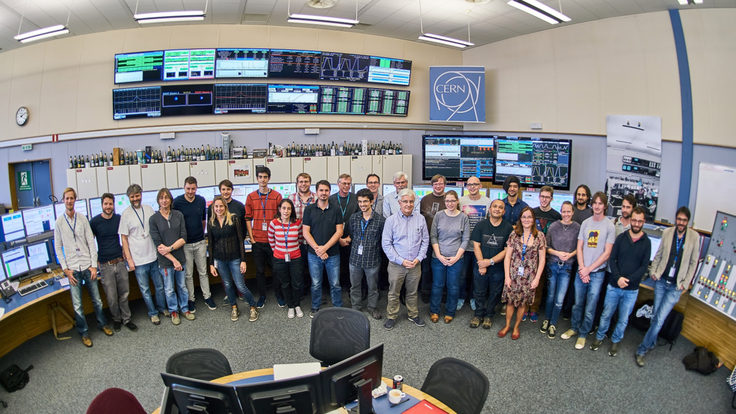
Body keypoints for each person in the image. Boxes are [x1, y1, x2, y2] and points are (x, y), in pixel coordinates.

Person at [635, 206, 700, 367]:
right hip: (662, 282)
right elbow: (659, 255)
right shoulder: (667, 233)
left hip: (675, 287)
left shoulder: (694, 237)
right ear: (675, 219)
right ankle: (651, 342)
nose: (681, 223)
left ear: (688, 221)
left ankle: (642, 350)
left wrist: (685, 284)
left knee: (658, 320)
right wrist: (654, 272)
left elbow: (693, 263)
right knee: (655, 316)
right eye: (679, 219)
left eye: (684, 220)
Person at [54, 187, 114, 347]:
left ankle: (103, 324)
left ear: (75, 200)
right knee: (78, 305)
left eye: (72, 198)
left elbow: (91, 243)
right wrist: (65, 269)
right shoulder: (59, 222)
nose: (69, 201)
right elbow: (58, 248)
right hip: (73, 269)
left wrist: (94, 266)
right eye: (66, 198)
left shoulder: (83, 219)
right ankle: (84, 333)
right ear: (63, 200)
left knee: (97, 301)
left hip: (88, 266)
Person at [590, 207, 650, 357]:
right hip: (614, 286)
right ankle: (599, 337)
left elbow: (644, 267)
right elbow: (612, 259)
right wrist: (618, 278)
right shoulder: (621, 238)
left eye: (639, 221)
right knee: (606, 314)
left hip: (631, 290)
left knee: (623, 319)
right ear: (630, 220)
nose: (636, 223)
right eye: (634, 220)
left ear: (644, 222)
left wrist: (628, 281)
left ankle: (615, 341)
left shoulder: (646, 242)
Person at [561, 191, 615, 350]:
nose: (597, 206)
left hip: (597, 273)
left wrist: (589, 270)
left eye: (600, 203)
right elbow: (579, 247)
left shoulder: (610, 226)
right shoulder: (585, 223)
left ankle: (583, 334)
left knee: (590, 306)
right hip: (581, 270)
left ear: (604, 206)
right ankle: (574, 328)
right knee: (577, 304)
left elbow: (607, 253)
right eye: (595, 203)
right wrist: (582, 268)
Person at [381, 189, 429, 330]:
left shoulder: (420, 219)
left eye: (411, 201)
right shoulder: (391, 221)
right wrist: (401, 260)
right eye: (405, 201)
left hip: (415, 264)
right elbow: (386, 244)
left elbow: (425, 241)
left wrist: (419, 258)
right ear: (399, 203)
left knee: (413, 292)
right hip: (397, 265)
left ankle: (413, 314)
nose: (408, 204)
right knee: (394, 292)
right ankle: (391, 316)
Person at [119, 184, 166, 325]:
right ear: (129, 198)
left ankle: (162, 308)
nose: (135, 199)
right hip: (138, 260)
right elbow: (124, 239)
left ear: (141, 194)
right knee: (145, 290)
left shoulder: (149, 209)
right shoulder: (125, 214)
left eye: (137, 195)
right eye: (132, 197)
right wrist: (129, 260)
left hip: (153, 256)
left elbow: (157, 228)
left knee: (160, 286)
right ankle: (153, 313)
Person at [90, 193, 136, 332]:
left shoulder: (119, 219)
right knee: (111, 297)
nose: (108, 206)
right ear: (102, 205)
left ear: (113, 205)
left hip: (120, 262)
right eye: (106, 204)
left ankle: (127, 319)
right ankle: (116, 319)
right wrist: (94, 260)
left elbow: (124, 238)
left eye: (110, 204)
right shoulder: (95, 222)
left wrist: (126, 253)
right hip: (105, 265)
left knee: (124, 293)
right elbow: (89, 241)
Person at [498, 207, 546, 340]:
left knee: (522, 303)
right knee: (510, 302)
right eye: (524, 217)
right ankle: (507, 325)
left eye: (529, 217)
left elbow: (542, 260)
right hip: (513, 275)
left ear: (533, 219)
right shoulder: (514, 234)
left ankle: (516, 327)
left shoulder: (539, 236)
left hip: (529, 277)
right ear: (520, 219)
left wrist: (537, 279)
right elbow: (507, 257)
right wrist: (507, 276)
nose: (526, 220)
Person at [208, 196, 259, 322]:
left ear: (225, 207)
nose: (219, 209)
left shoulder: (234, 218)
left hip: (235, 258)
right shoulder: (211, 223)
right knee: (227, 285)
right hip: (220, 260)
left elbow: (240, 240)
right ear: (213, 208)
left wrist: (243, 260)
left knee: (240, 286)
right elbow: (211, 244)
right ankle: (234, 307)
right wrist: (211, 264)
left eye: (221, 206)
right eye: (216, 207)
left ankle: (253, 306)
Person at [149, 188, 194, 325]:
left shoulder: (178, 215)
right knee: (169, 289)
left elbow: (183, 237)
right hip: (166, 262)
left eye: (166, 197)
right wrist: (173, 260)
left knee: (182, 286)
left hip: (181, 258)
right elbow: (159, 245)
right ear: (158, 201)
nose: (164, 200)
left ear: (170, 200)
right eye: (161, 198)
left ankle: (185, 309)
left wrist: (170, 248)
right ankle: (174, 311)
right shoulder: (154, 219)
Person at [173, 176, 215, 312]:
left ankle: (207, 296)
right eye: (188, 189)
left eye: (193, 189)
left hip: (200, 242)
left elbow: (203, 220)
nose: (191, 191)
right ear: (184, 187)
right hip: (185, 244)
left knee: (203, 272)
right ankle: (191, 299)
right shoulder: (177, 202)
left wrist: (201, 235)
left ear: (196, 188)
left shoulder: (201, 200)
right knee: (188, 274)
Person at [303, 180, 344, 317]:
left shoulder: (336, 209)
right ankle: (315, 307)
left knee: (335, 283)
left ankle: (338, 308)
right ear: (316, 192)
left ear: (329, 192)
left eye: (326, 190)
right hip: (314, 255)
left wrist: (324, 248)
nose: (324, 193)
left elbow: (339, 232)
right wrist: (318, 250)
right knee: (315, 283)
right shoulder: (309, 209)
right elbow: (305, 232)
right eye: (321, 190)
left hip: (332, 254)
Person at [470, 199, 513, 330]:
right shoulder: (481, 225)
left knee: (495, 293)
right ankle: (478, 314)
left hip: (498, 268)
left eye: (500, 207)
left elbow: (507, 250)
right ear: (490, 209)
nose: (497, 209)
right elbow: (476, 246)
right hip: (480, 265)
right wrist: (482, 265)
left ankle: (489, 316)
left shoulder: (508, 228)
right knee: (479, 292)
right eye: (495, 206)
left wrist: (490, 262)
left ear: (504, 211)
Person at [245, 166, 284, 308]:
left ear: (269, 178)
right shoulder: (250, 197)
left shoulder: (277, 196)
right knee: (260, 271)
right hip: (258, 241)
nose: (263, 180)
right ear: (257, 179)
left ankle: (279, 294)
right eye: (260, 177)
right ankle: (262, 296)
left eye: (265, 177)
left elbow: (281, 217)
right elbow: (247, 218)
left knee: (276, 270)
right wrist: (252, 238)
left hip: (274, 242)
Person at [540, 201, 580, 338]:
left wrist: (570, 255)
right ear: (561, 212)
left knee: (559, 299)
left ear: (573, 212)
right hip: (553, 265)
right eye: (564, 211)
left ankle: (553, 323)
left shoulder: (577, 228)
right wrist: (558, 253)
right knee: (550, 296)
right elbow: (546, 246)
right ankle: (546, 319)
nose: (566, 214)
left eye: (569, 211)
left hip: (567, 267)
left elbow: (579, 248)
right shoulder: (553, 226)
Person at [429, 190, 469, 324]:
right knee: (437, 285)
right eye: (447, 201)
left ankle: (450, 312)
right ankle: (434, 311)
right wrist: (439, 255)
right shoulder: (439, 216)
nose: (450, 203)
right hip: (438, 258)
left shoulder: (463, 217)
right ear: (444, 202)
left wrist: (456, 257)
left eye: (452, 201)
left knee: (453, 286)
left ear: (457, 201)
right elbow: (433, 236)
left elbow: (465, 239)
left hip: (456, 259)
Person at [347, 189, 386, 319]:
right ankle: (356, 307)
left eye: (365, 201)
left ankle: (372, 307)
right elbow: (352, 235)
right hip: (355, 259)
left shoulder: (380, 220)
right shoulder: (354, 218)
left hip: (372, 260)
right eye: (360, 202)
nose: (362, 204)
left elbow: (382, 240)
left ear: (371, 201)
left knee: (373, 287)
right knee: (355, 286)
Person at [527, 185, 562, 322]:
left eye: (547, 197)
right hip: (531, 254)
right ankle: (525, 307)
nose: (544, 199)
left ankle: (534, 309)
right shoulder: (533, 212)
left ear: (552, 199)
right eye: (542, 196)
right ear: (539, 197)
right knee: (528, 281)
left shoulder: (556, 216)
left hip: (547, 255)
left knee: (540, 283)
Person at [458, 176, 491, 310]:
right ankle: (460, 297)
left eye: (475, 184)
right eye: (469, 184)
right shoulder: (461, 201)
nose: (472, 187)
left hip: (479, 247)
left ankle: (473, 298)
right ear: (466, 186)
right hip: (463, 246)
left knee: (476, 276)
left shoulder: (487, 202)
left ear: (480, 186)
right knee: (462, 275)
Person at [268, 199, 305, 319]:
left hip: (295, 257)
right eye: (284, 208)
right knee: (285, 283)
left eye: (289, 208)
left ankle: (297, 304)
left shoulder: (297, 223)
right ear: (279, 209)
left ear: (292, 210)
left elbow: (300, 239)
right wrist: (280, 251)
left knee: (297, 282)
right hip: (279, 258)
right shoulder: (274, 223)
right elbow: (271, 240)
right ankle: (290, 306)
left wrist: (291, 249)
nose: (286, 211)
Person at [420, 174, 446, 303]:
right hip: (427, 241)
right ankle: (425, 293)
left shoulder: (449, 199)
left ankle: (442, 294)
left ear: (444, 185)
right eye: (435, 184)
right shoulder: (424, 199)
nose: (438, 186)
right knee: (426, 268)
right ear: (432, 185)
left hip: (444, 242)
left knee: (442, 269)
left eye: (441, 183)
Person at [288, 172, 316, 293]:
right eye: (301, 182)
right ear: (297, 184)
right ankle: (300, 293)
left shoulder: (317, 198)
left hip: (313, 240)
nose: (303, 184)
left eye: (306, 181)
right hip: (297, 241)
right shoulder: (291, 198)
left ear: (310, 183)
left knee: (314, 270)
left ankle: (314, 293)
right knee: (298, 270)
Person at [330, 173, 358, 289]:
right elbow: (329, 221)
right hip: (335, 238)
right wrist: (338, 239)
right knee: (335, 265)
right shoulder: (331, 199)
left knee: (349, 265)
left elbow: (358, 220)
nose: (346, 186)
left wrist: (349, 238)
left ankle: (348, 287)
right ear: (338, 184)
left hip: (351, 238)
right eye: (344, 183)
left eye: (348, 184)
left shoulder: (355, 198)